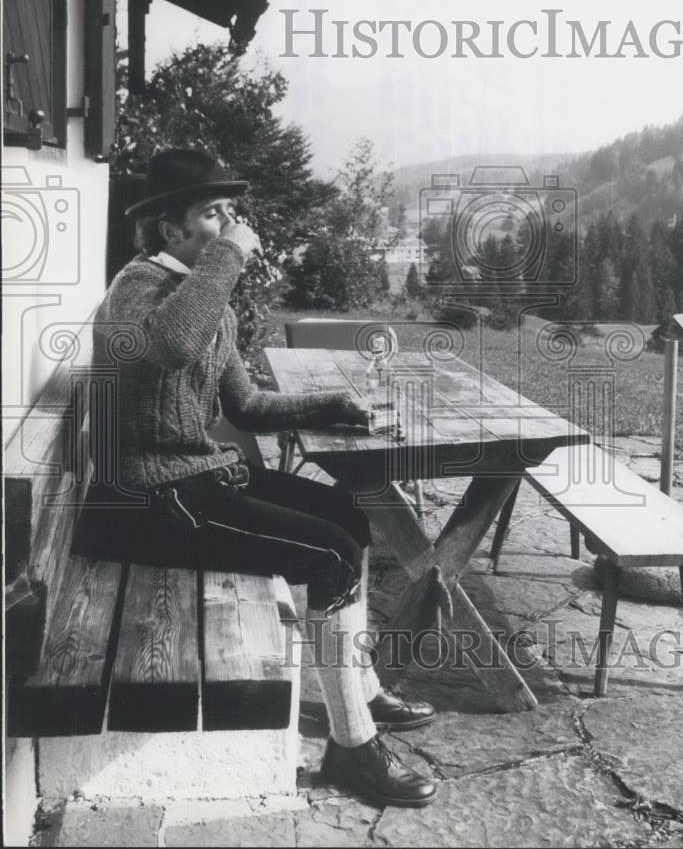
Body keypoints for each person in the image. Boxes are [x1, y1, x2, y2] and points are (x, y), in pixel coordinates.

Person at [72, 149, 437, 808]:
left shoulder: (207, 302)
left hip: (196, 479)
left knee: (347, 517)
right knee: (330, 555)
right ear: (167, 229)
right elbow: (172, 345)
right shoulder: (136, 290)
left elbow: (242, 404)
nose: (230, 224)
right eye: (211, 214)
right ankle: (352, 752)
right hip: (146, 500)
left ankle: (362, 688)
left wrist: (326, 404)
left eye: (228, 213)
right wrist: (230, 254)